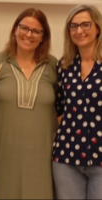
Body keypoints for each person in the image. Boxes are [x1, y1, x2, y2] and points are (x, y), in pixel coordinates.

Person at [0, 8, 58, 199]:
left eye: (36, 31)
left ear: (43, 37)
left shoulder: (54, 66)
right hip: (2, 154)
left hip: (41, 156)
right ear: (15, 30)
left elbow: (63, 109)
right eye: (24, 28)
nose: (28, 34)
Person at [53, 4, 102, 199]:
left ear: (98, 27)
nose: (79, 30)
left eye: (85, 25)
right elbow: (58, 107)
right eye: (73, 26)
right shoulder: (64, 65)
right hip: (66, 157)